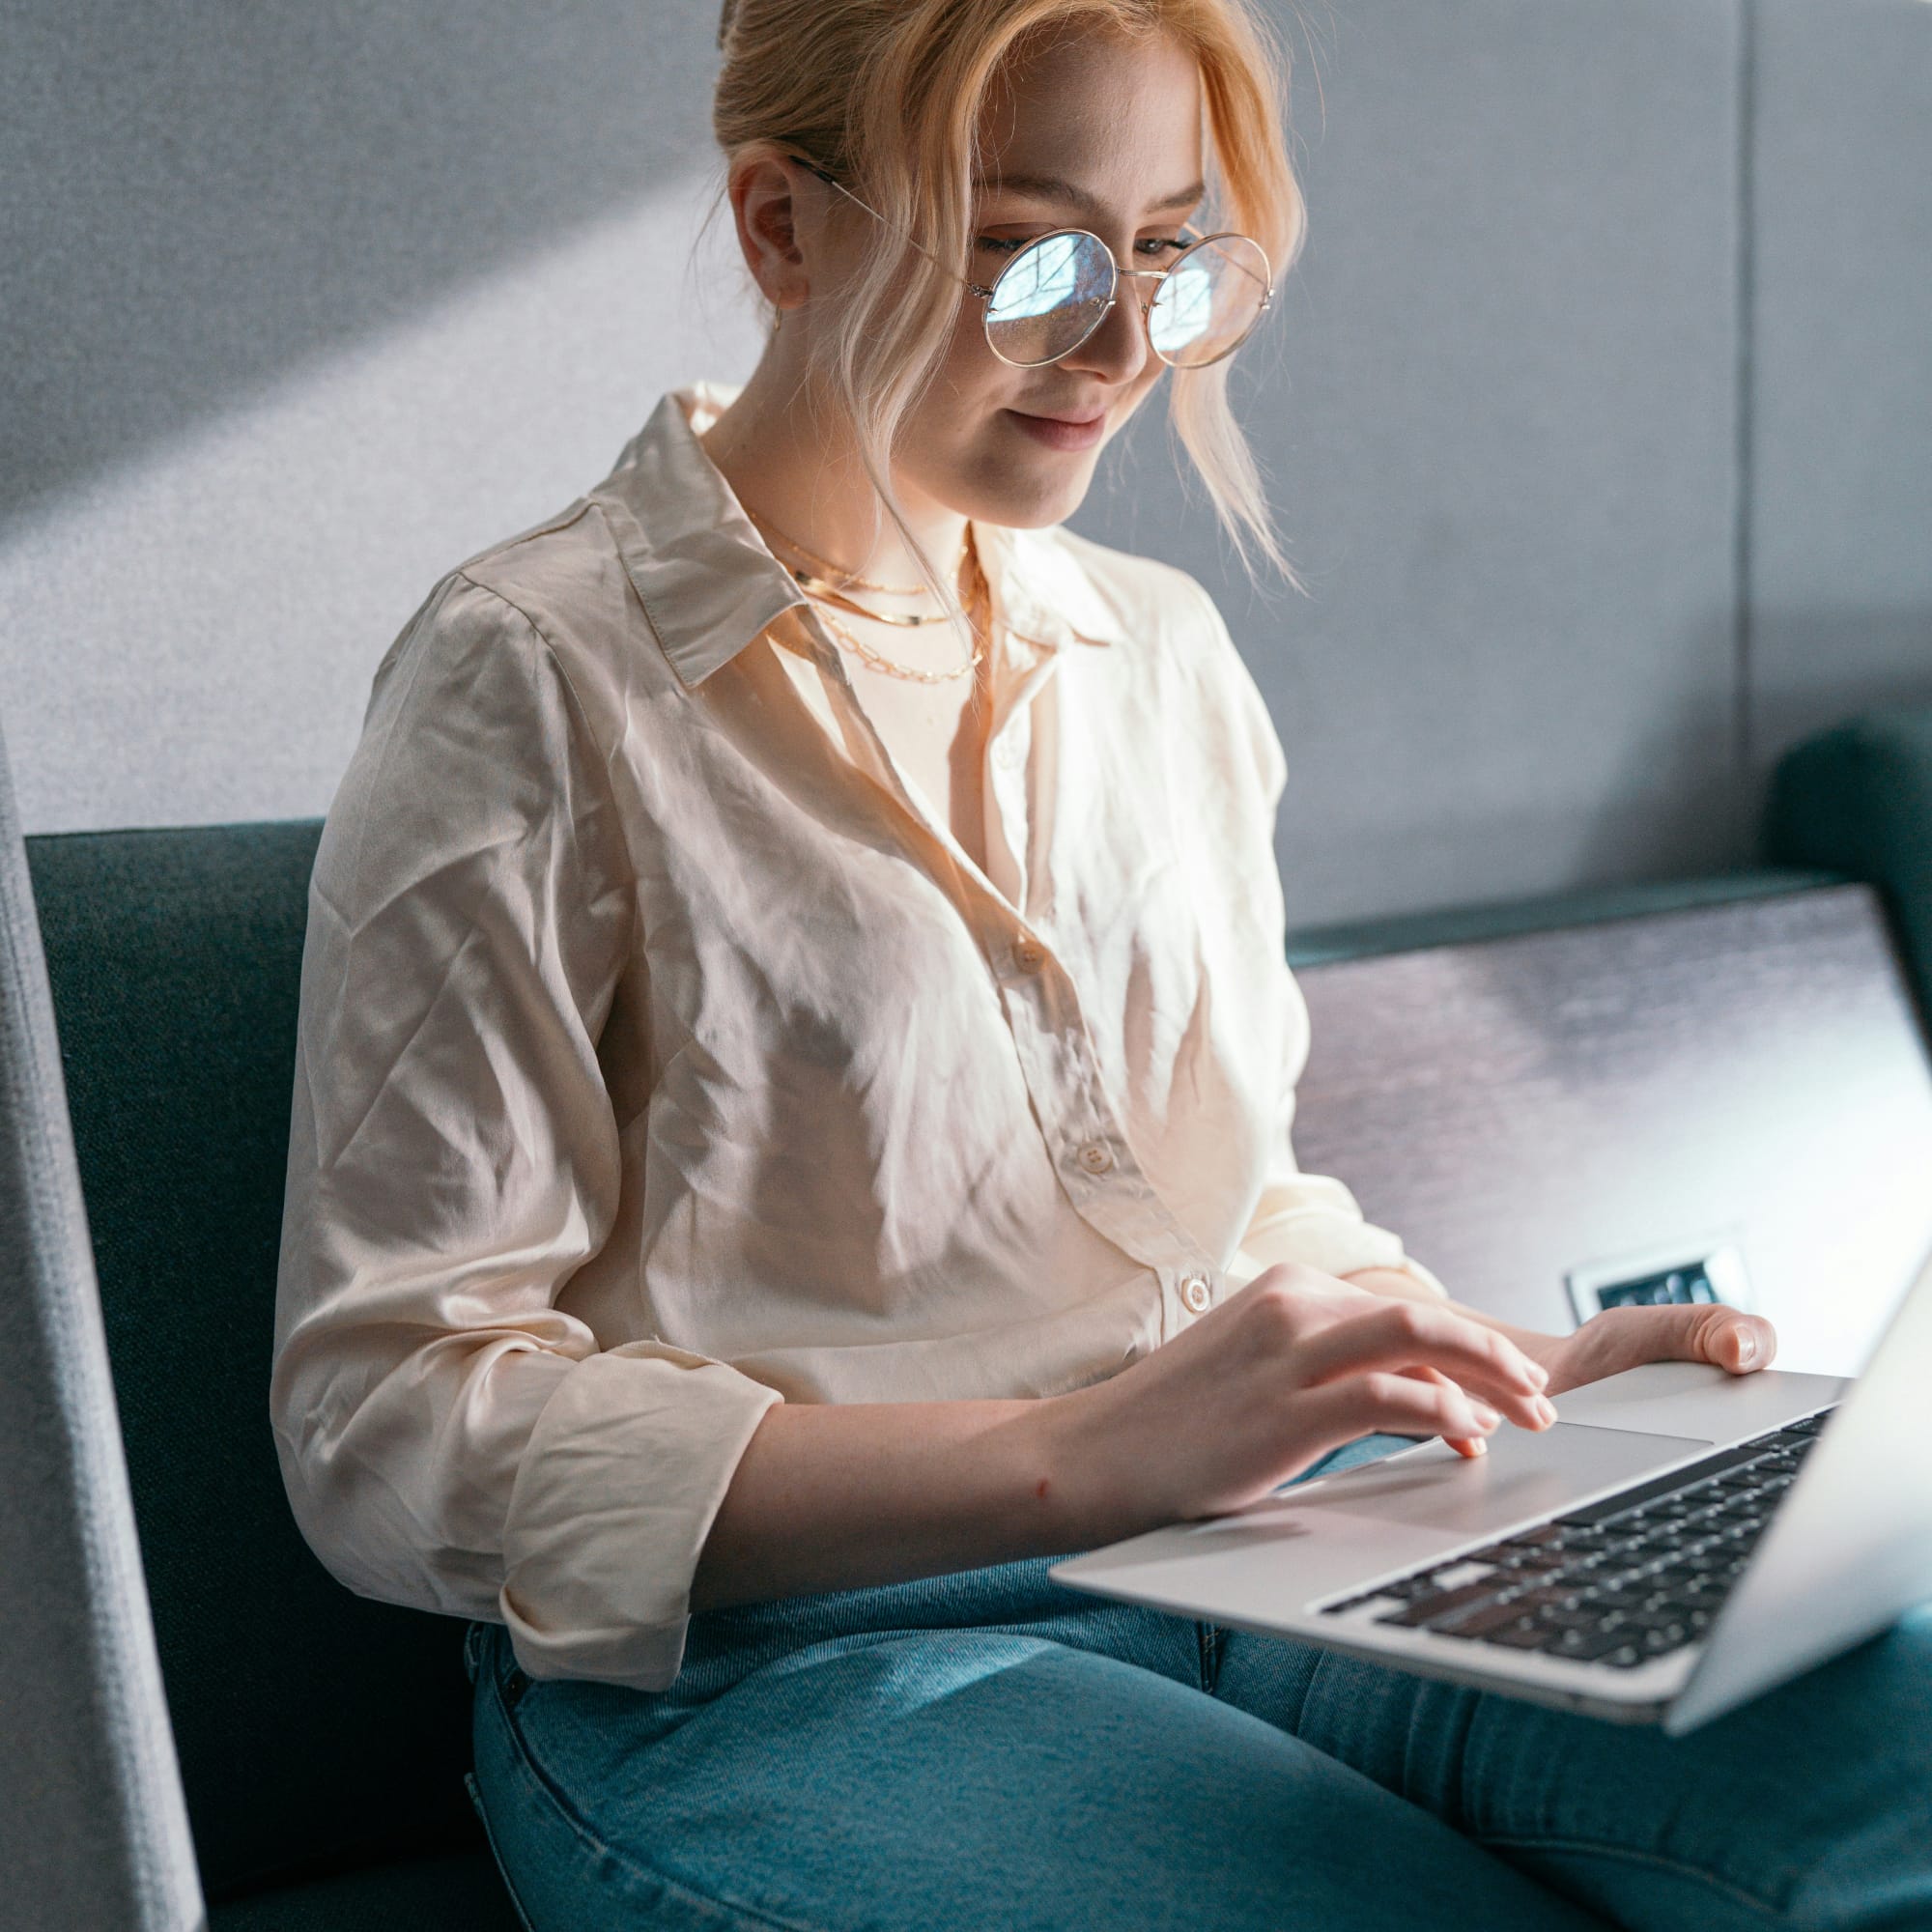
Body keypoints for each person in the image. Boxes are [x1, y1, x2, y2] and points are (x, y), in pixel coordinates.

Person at [269, 2, 1932, 1926]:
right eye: (1032, 253)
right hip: (792, 1666)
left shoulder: (1160, 655)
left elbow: (1229, 1208)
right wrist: (1075, 1458)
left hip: (1294, 1540)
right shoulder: (533, 676)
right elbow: (388, 1423)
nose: (1126, 346)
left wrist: (1517, 1377)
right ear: (781, 226)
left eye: (1166, 253)